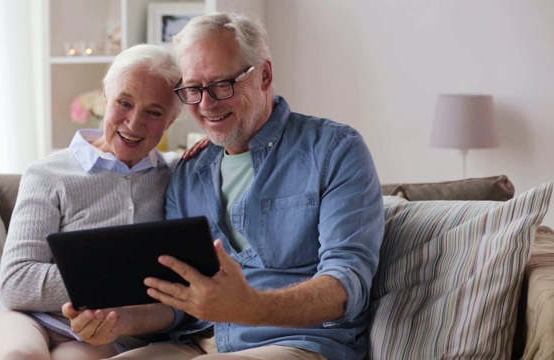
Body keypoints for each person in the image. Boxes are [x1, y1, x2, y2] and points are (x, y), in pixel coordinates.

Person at [64, 12, 385, 360]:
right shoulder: (188, 172)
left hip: (295, 342)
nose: (206, 105)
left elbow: (346, 286)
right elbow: (180, 300)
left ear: (264, 75)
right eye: (194, 89)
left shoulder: (334, 150)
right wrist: (119, 320)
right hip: (197, 343)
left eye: (221, 85)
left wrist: (251, 307)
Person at [0, 43, 186, 359]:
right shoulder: (48, 173)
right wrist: (123, 277)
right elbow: (16, 282)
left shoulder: (176, 175)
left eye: (154, 112)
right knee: (18, 355)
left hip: (101, 332)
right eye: (124, 102)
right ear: (105, 97)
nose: (134, 123)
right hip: (25, 318)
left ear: (172, 120)